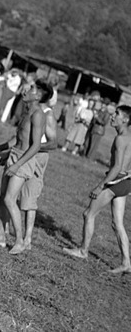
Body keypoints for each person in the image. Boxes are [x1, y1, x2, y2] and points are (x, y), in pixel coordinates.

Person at [0, 80, 51, 254]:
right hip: (14, 155)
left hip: (24, 160)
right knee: (1, 197)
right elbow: (19, 138)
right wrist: (1, 148)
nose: (26, 90)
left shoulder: (38, 114)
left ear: (38, 95)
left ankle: (20, 241)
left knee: (9, 199)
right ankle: (1, 237)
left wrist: (17, 165)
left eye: (31, 88)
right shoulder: (26, 111)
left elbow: (35, 145)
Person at [64, 105, 131, 274]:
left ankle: (83, 251)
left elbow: (116, 167)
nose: (112, 116)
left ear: (125, 120)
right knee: (117, 224)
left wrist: (100, 185)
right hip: (125, 182)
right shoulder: (128, 137)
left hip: (115, 181)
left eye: (117, 114)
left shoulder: (121, 139)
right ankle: (126, 262)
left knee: (89, 214)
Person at [17, 88, 58, 249]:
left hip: (37, 157)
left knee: (29, 198)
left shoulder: (47, 114)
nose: (27, 90)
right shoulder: (30, 110)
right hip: (24, 153)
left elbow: (53, 143)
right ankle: (3, 229)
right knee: (8, 192)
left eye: (34, 88)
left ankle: (27, 239)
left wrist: (33, 147)